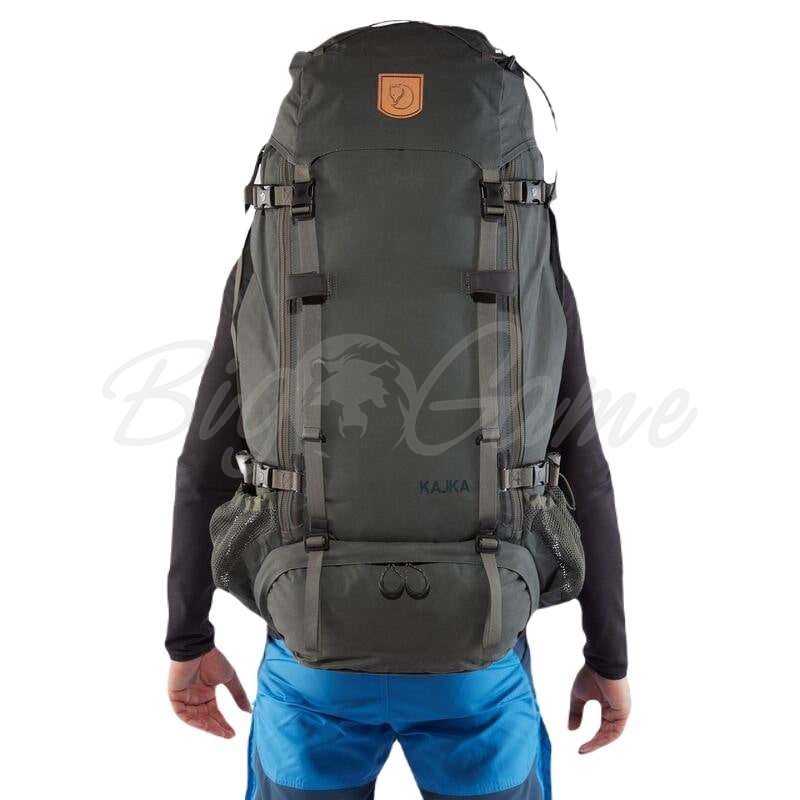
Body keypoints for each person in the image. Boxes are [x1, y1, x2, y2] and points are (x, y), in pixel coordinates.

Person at [166, 261, 631, 798]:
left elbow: (204, 469)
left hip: (310, 660)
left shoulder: (274, 245)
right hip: (476, 659)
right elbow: (584, 472)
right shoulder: (522, 244)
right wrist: (607, 657)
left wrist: (188, 639)